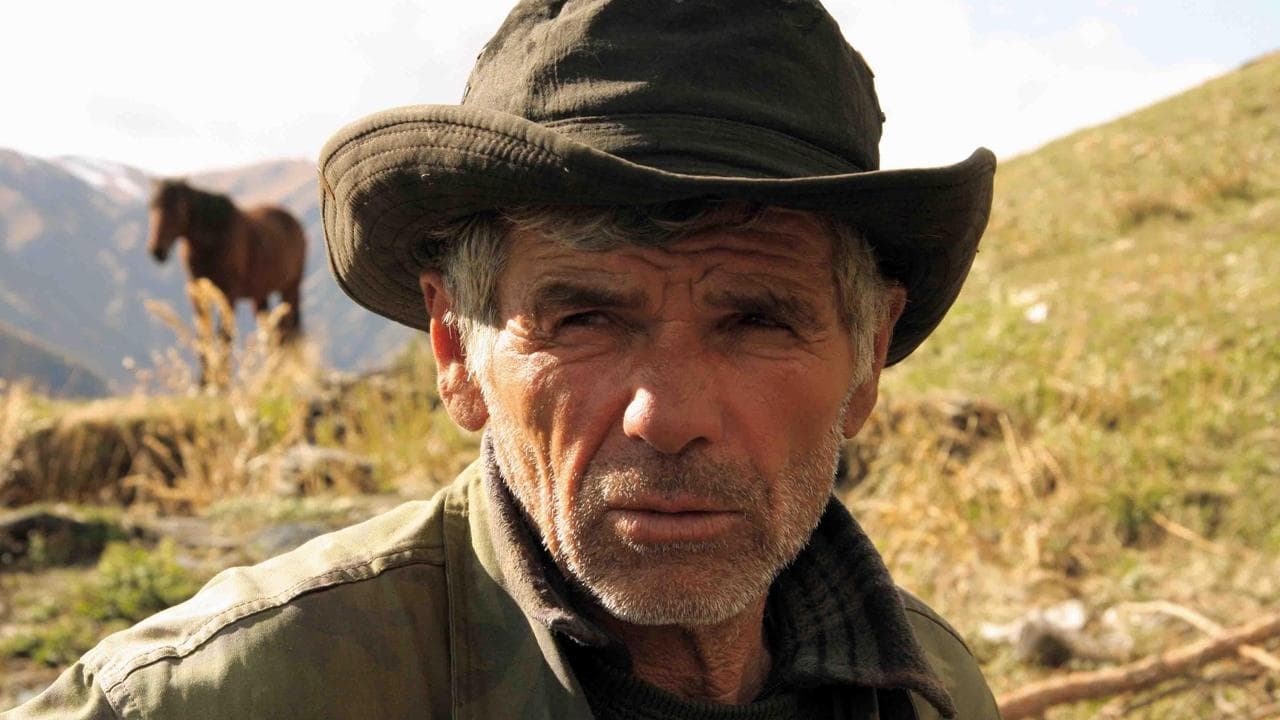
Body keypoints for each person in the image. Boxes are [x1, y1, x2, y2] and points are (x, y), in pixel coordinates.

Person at [5, 1, 999, 718]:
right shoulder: (221, 698)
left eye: (756, 321)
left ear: (867, 358)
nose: (667, 416)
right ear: (455, 352)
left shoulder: (938, 688)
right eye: (585, 319)